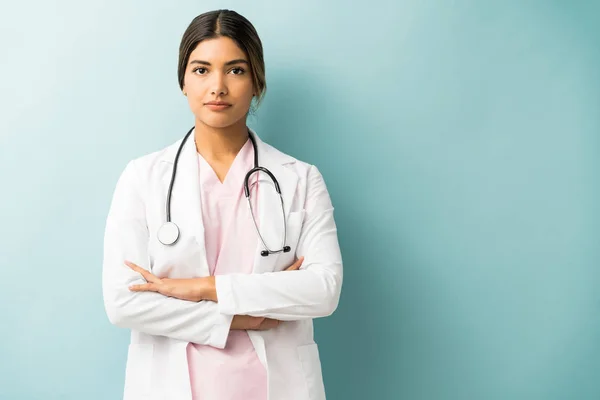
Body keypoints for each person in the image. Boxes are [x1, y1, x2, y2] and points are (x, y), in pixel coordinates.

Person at [102, 9, 343, 400]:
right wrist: (241, 317)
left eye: (235, 70)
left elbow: (323, 290)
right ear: (182, 81)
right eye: (201, 70)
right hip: (172, 385)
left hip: (275, 385)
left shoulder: (300, 179)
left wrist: (204, 287)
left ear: (256, 83)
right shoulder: (143, 178)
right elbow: (124, 302)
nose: (217, 86)